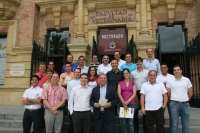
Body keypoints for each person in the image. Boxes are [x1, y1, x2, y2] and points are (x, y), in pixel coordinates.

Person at [166, 65, 193, 133]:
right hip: (174, 104)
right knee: (174, 124)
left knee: (186, 124)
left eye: (178, 70)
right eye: (175, 70)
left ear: (181, 71)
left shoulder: (186, 80)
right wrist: (174, 98)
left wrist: (186, 100)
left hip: (185, 105)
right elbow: (168, 92)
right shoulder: (170, 81)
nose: (176, 71)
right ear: (173, 72)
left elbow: (190, 92)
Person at [131, 57, 149, 133]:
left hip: (144, 93)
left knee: (145, 112)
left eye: (140, 62)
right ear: (135, 63)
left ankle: (145, 130)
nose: (139, 63)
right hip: (136, 93)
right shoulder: (133, 73)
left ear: (142, 62)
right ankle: (136, 130)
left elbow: (149, 82)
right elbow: (131, 83)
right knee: (135, 112)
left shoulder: (147, 72)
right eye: (137, 62)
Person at [118, 68, 137, 133]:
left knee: (131, 123)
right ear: (123, 75)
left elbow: (134, 94)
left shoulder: (133, 83)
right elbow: (119, 93)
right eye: (124, 73)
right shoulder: (120, 83)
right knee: (123, 123)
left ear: (129, 74)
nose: (126, 74)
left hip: (131, 104)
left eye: (127, 73)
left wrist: (127, 101)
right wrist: (123, 102)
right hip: (122, 104)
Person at [156, 63, 174, 131]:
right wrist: (165, 83)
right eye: (162, 68)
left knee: (172, 114)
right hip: (160, 97)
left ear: (167, 68)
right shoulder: (158, 77)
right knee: (160, 114)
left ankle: (172, 129)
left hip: (170, 97)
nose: (163, 69)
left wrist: (163, 83)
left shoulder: (172, 77)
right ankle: (161, 128)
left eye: (164, 68)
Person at [67, 68, 81, 133]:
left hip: (81, 105)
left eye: (79, 72)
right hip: (73, 104)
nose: (77, 73)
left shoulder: (83, 81)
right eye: (76, 72)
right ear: (74, 73)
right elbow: (68, 94)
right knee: (72, 124)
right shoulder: (70, 83)